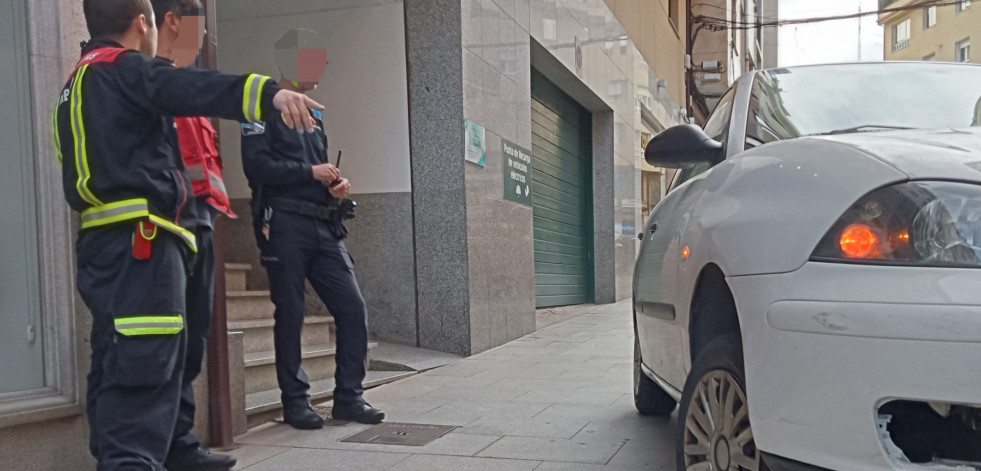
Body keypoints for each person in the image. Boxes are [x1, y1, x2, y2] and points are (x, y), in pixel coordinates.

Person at [56, 1, 321, 469]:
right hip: (142, 246)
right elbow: (189, 86)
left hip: (105, 246)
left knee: (118, 359)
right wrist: (266, 93)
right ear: (143, 22)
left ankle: (165, 452)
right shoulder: (125, 69)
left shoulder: (75, 83)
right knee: (143, 373)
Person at [240, 28, 384, 429]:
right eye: (315, 57)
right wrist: (310, 171)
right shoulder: (258, 109)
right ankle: (295, 403)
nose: (322, 65)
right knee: (291, 312)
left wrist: (336, 184)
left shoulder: (316, 113)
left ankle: (349, 398)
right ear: (292, 61)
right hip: (282, 223)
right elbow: (256, 168)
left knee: (352, 307)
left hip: (324, 225)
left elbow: (319, 172)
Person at [149, 1, 237, 469]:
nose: (202, 41)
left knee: (193, 340)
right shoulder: (150, 81)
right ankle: (158, 447)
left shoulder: (183, 84)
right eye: (197, 29)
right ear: (172, 22)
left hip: (201, 220)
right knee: (166, 341)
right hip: (168, 225)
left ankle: (179, 443)